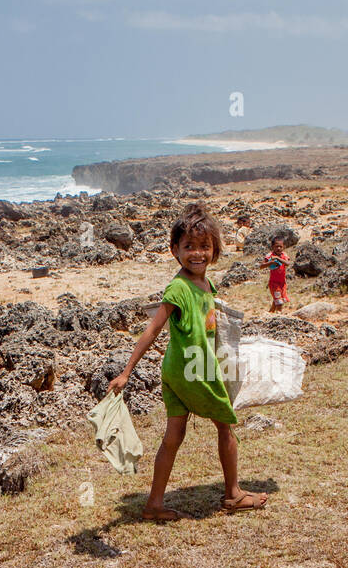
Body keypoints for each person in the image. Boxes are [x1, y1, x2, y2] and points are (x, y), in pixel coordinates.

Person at [108, 203, 269, 521]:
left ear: (215, 251)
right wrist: (127, 371)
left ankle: (154, 503)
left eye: (204, 247)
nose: (197, 254)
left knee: (173, 436)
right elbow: (153, 328)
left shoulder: (207, 284)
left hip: (176, 371)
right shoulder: (179, 288)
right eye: (189, 247)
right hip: (194, 371)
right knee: (226, 425)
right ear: (174, 250)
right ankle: (233, 494)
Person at [261, 236, 291, 312]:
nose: (278, 248)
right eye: (276, 246)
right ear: (272, 247)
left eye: (280, 247)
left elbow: (287, 263)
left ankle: (270, 313)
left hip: (282, 283)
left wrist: (278, 258)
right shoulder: (269, 256)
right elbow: (261, 266)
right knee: (279, 302)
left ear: (284, 247)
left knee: (278, 300)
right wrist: (270, 263)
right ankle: (279, 315)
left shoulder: (284, 255)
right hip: (274, 283)